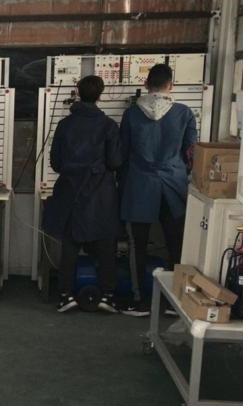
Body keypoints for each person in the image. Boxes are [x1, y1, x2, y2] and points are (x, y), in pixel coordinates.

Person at [119, 64, 197, 317]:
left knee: (137, 245)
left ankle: (139, 300)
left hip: (139, 185)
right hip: (173, 186)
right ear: (170, 86)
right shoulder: (184, 113)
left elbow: (121, 153)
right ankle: (175, 303)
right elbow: (192, 152)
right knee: (176, 244)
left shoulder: (131, 114)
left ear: (146, 84)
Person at [43, 75, 122, 313]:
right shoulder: (109, 125)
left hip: (70, 191)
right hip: (101, 194)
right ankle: (108, 295)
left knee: (70, 244)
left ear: (77, 93)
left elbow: (56, 163)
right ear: (100, 96)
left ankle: (65, 295)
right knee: (106, 245)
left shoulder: (64, 125)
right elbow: (115, 161)